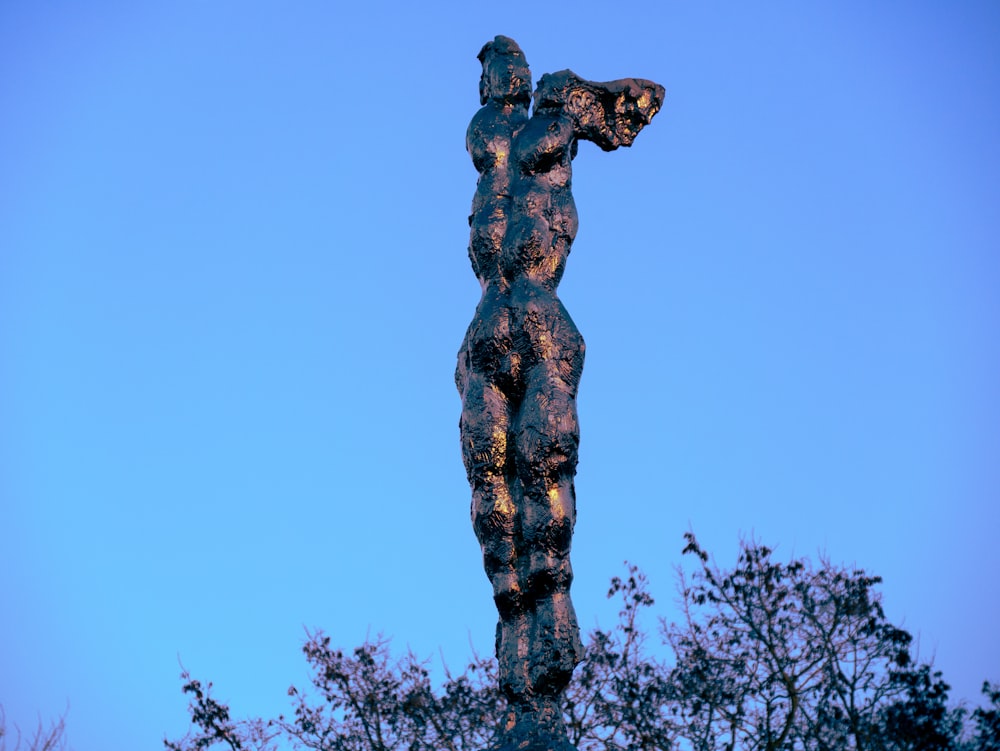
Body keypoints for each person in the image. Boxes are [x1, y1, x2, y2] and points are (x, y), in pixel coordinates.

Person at [456, 35, 663, 739]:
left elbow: (635, 106)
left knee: (544, 461)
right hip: (486, 324)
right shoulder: (488, 134)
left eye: (502, 67)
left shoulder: (556, 105)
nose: (498, 78)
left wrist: (586, 101)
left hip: (541, 314)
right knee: (493, 496)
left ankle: (555, 625)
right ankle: (518, 652)